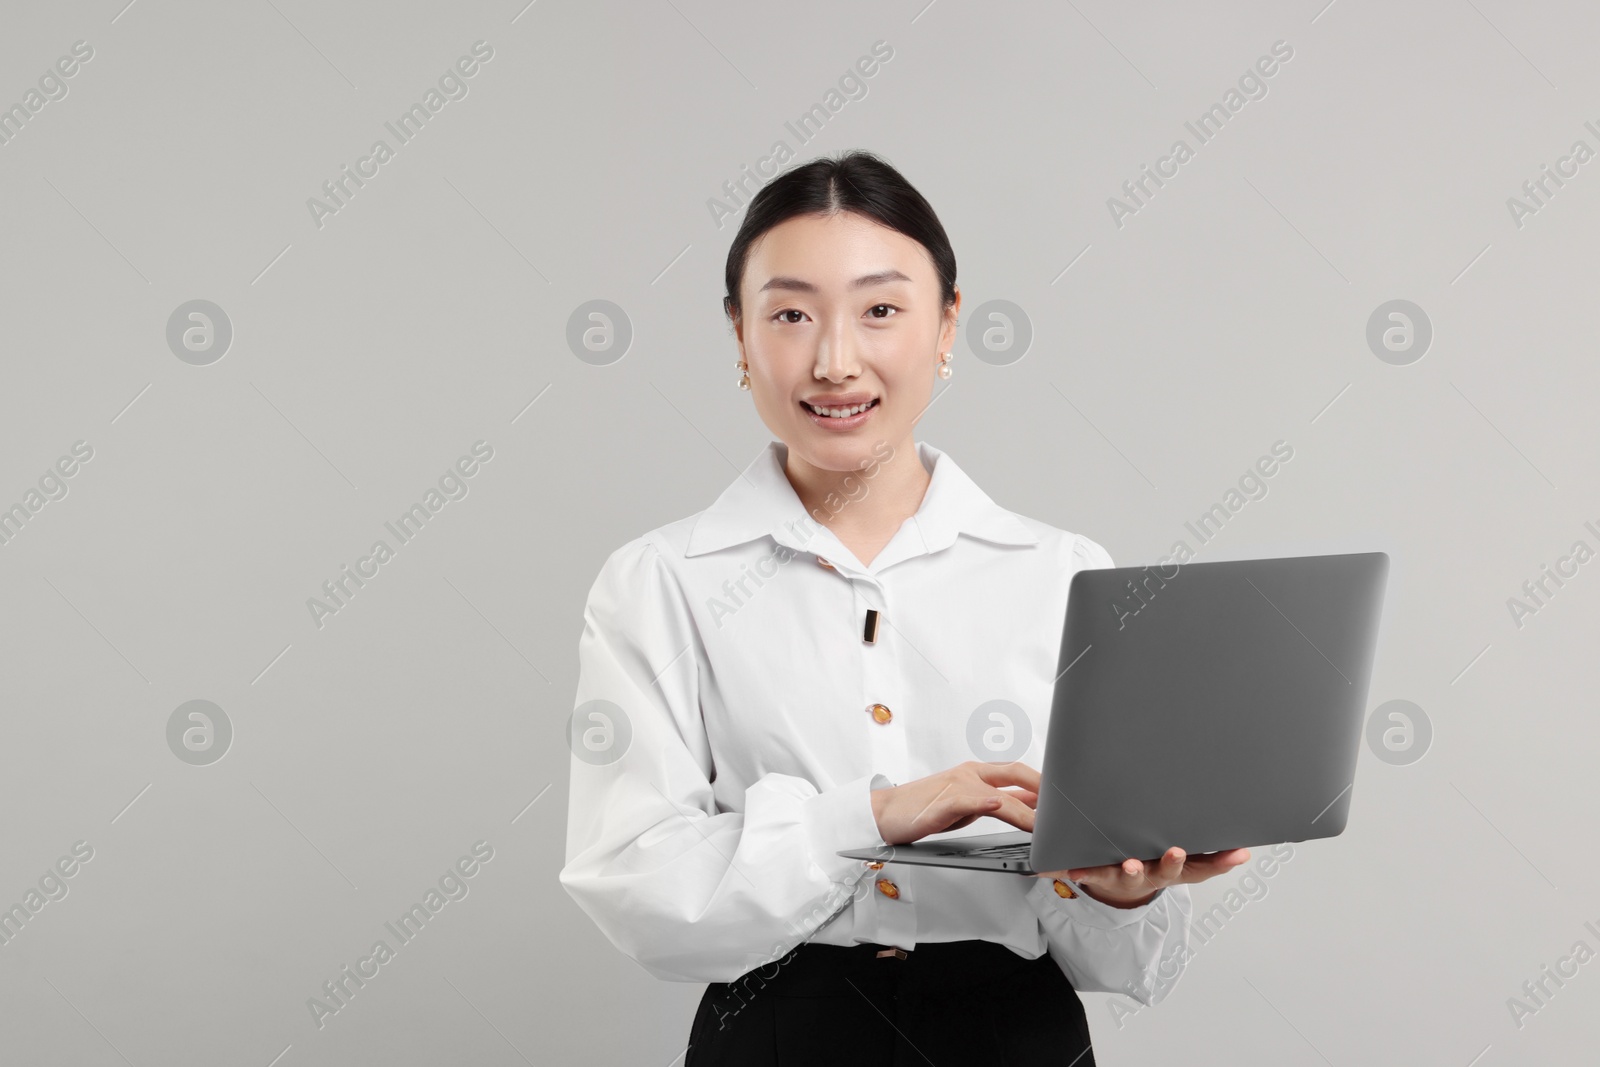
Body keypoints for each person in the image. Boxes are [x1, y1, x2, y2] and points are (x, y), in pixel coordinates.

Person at [559, 149, 1250, 1065]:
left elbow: (1114, 955)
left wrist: (1123, 893)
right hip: (776, 1033)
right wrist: (876, 815)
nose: (835, 360)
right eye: (791, 314)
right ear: (739, 335)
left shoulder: (1062, 573)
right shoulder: (661, 580)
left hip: (1015, 1033)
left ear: (947, 325)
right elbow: (636, 886)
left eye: (881, 310)